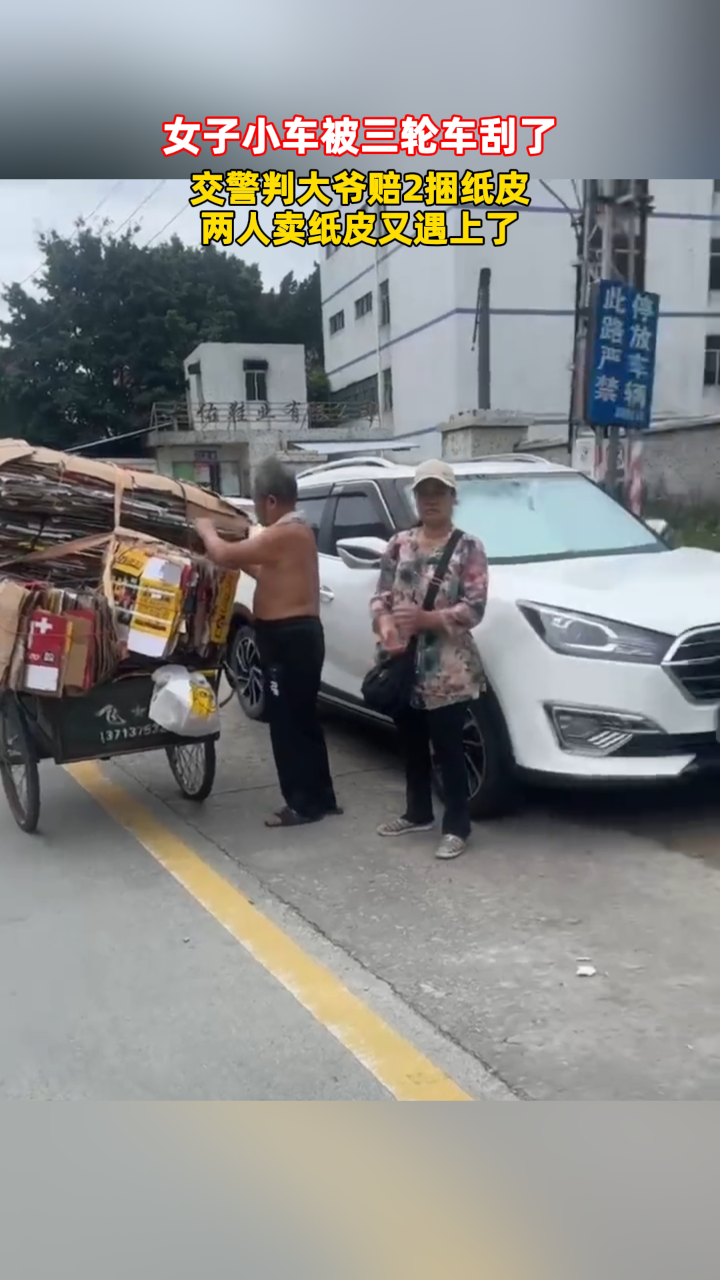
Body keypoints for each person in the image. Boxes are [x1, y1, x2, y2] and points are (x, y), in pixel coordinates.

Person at [195, 455, 340, 828]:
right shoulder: (298, 533)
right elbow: (265, 573)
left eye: (258, 502)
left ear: (271, 501)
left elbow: (221, 553)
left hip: (287, 640)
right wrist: (240, 553)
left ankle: (301, 804)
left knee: (286, 724)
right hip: (301, 637)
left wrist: (206, 528)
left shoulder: (284, 534)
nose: (257, 510)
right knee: (305, 721)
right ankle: (322, 797)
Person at [369, 459, 489, 860]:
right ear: (415, 498)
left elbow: (474, 607)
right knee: (411, 743)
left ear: (453, 498)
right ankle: (417, 812)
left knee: (449, 749)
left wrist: (428, 619)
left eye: (439, 492)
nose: (431, 500)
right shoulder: (399, 543)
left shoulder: (468, 546)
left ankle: (457, 826)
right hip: (404, 663)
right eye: (424, 492)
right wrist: (385, 622)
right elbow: (381, 594)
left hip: (448, 670)